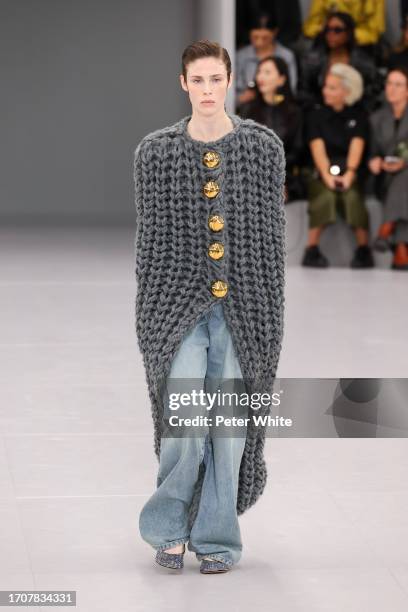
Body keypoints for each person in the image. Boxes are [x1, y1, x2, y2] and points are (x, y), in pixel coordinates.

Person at [133, 40, 286, 574]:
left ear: (228, 82)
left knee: (228, 428)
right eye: (196, 81)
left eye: (214, 80)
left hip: (245, 310)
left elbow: (269, 243)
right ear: (183, 83)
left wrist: (268, 317)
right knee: (184, 424)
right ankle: (169, 529)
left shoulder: (263, 149)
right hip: (177, 310)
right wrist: (151, 318)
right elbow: (150, 246)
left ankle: (218, 538)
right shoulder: (155, 153)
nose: (205, 91)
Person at [302, 63, 374, 268]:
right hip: (321, 172)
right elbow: (318, 149)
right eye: (326, 86)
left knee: (352, 197)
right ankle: (311, 249)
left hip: (349, 171)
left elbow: (356, 146)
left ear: (347, 91)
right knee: (325, 196)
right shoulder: (316, 115)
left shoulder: (358, 116)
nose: (326, 91)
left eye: (333, 88)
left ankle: (363, 250)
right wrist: (327, 175)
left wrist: (350, 174)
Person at [237, 55, 304, 202]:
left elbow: (297, 150)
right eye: (259, 72)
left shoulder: (294, 112)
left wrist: (274, 165)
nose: (260, 77)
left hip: (284, 174)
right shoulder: (248, 110)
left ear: (281, 79)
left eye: (267, 72)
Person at [298, 11, 381, 113]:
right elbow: (303, 92)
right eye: (328, 29)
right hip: (319, 114)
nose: (331, 34)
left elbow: (372, 94)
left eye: (337, 30)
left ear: (349, 33)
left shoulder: (363, 62)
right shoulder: (312, 60)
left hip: (354, 114)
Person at [368, 67, 408, 270]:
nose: (391, 89)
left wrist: (404, 163)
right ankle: (400, 247)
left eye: (398, 84)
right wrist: (376, 161)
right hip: (385, 178)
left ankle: (388, 232)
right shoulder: (377, 118)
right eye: (389, 83)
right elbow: (373, 152)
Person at [235, 12, 298, 105]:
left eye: (265, 38)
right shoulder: (241, 56)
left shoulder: (286, 56)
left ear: (275, 32)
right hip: (247, 108)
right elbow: (232, 90)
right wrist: (242, 98)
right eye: (255, 37)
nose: (259, 42)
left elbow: (290, 90)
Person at [302, 0, 385, 48]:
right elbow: (310, 28)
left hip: (361, 48)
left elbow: (373, 33)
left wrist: (345, 34)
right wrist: (331, 31)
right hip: (327, 46)